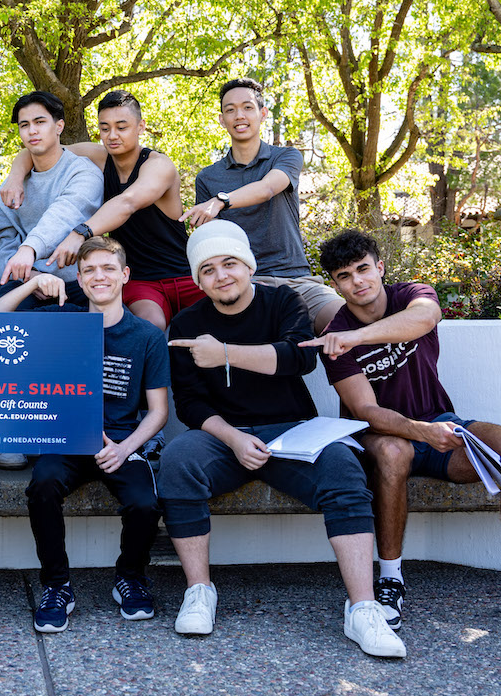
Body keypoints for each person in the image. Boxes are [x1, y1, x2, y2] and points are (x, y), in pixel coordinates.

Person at [307, 229, 501, 634]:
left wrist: (359, 337)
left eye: (363, 269)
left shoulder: (410, 295)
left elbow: (425, 318)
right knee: (393, 452)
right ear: (334, 283)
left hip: (438, 421)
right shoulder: (335, 333)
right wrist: (417, 431)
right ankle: (389, 580)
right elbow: (366, 410)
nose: (357, 282)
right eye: (344, 276)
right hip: (378, 437)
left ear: (380, 267)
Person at [158, 220, 406, 658]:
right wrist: (233, 439)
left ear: (249, 266)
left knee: (344, 468)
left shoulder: (281, 300)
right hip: (225, 438)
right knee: (178, 459)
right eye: (208, 270)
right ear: (198, 280)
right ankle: (200, 592)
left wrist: (226, 354)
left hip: (293, 431)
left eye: (230, 263)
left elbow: (298, 360)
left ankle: (363, 608)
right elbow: (191, 405)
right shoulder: (188, 321)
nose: (222, 276)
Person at [0, 237, 167, 632]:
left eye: (107, 268)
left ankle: (130, 577)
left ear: (124, 275)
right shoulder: (62, 319)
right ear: (80, 280)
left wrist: (125, 449)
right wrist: (33, 284)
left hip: (120, 442)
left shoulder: (146, 336)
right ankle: (57, 586)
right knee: (43, 485)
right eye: (89, 270)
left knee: (144, 503)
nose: (98, 276)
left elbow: (158, 413)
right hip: (64, 437)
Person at [0, 90, 201, 330]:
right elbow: (40, 147)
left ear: (141, 127)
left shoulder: (158, 165)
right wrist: (15, 176)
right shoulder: (101, 157)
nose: (112, 135)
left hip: (183, 273)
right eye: (105, 128)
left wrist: (80, 232)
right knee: (149, 324)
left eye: (122, 127)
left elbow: (128, 202)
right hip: (139, 280)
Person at [0, 90, 103, 469]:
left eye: (40, 122)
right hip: (28, 278)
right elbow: (2, 243)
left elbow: (66, 211)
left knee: (76, 339)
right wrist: (31, 273)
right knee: (2, 338)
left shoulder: (82, 171)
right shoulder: (11, 187)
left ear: (59, 125)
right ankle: (12, 433)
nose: (32, 131)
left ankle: (73, 433)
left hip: (75, 282)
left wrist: (31, 249)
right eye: (24, 125)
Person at [183, 78, 343, 331]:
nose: (239, 116)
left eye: (247, 107)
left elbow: (267, 189)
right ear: (222, 120)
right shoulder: (207, 178)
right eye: (230, 110)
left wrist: (221, 200)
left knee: (345, 324)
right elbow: (212, 240)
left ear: (262, 113)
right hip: (245, 283)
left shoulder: (286, 156)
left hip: (298, 280)